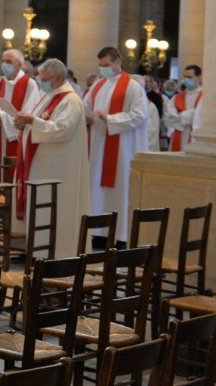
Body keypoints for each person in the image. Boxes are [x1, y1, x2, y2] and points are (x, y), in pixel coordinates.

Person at [13, 58, 88, 255]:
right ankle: (37, 253)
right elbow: (38, 122)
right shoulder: (48, 96)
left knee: (56, 213)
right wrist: (24, 124)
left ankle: (57, 256)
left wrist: (32, 121)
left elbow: (63, 130)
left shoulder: (70, 100)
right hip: (42, 166)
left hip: (59, 168)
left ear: (59, 78)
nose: (41, 82)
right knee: (40, 211)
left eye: (45, 79)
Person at [84, 46, 149, 245]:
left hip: (121, 148)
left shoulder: (133, 87)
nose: (103, 69)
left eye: (107, 65)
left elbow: (140, 116)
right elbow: (85, 108)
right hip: (97, 147)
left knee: (119, 189)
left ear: (118, 62)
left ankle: (119, 236)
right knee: (95, 187)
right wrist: (85, 117)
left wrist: (110, 118)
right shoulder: (97, 86)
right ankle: (96, 232)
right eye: (100, 65)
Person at [0, 48, 43, 183]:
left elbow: (29, 113)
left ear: (19, 64)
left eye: (8, 61)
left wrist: (3, 118)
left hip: (17, 137)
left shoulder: (29, 84)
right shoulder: (0, 82)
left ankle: (13, 204)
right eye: (2, 61)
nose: (4, 64)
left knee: (14, 178)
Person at [163, 65, 203, 151]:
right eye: (184, 77)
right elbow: (169, 118)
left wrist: (180, 115)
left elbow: (203, 117)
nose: (186, 80)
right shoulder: (176, 98)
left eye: (189, 77)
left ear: (199, 78)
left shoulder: (205, 97)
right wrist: (192, 114)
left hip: (197, 136)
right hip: (179, 135)